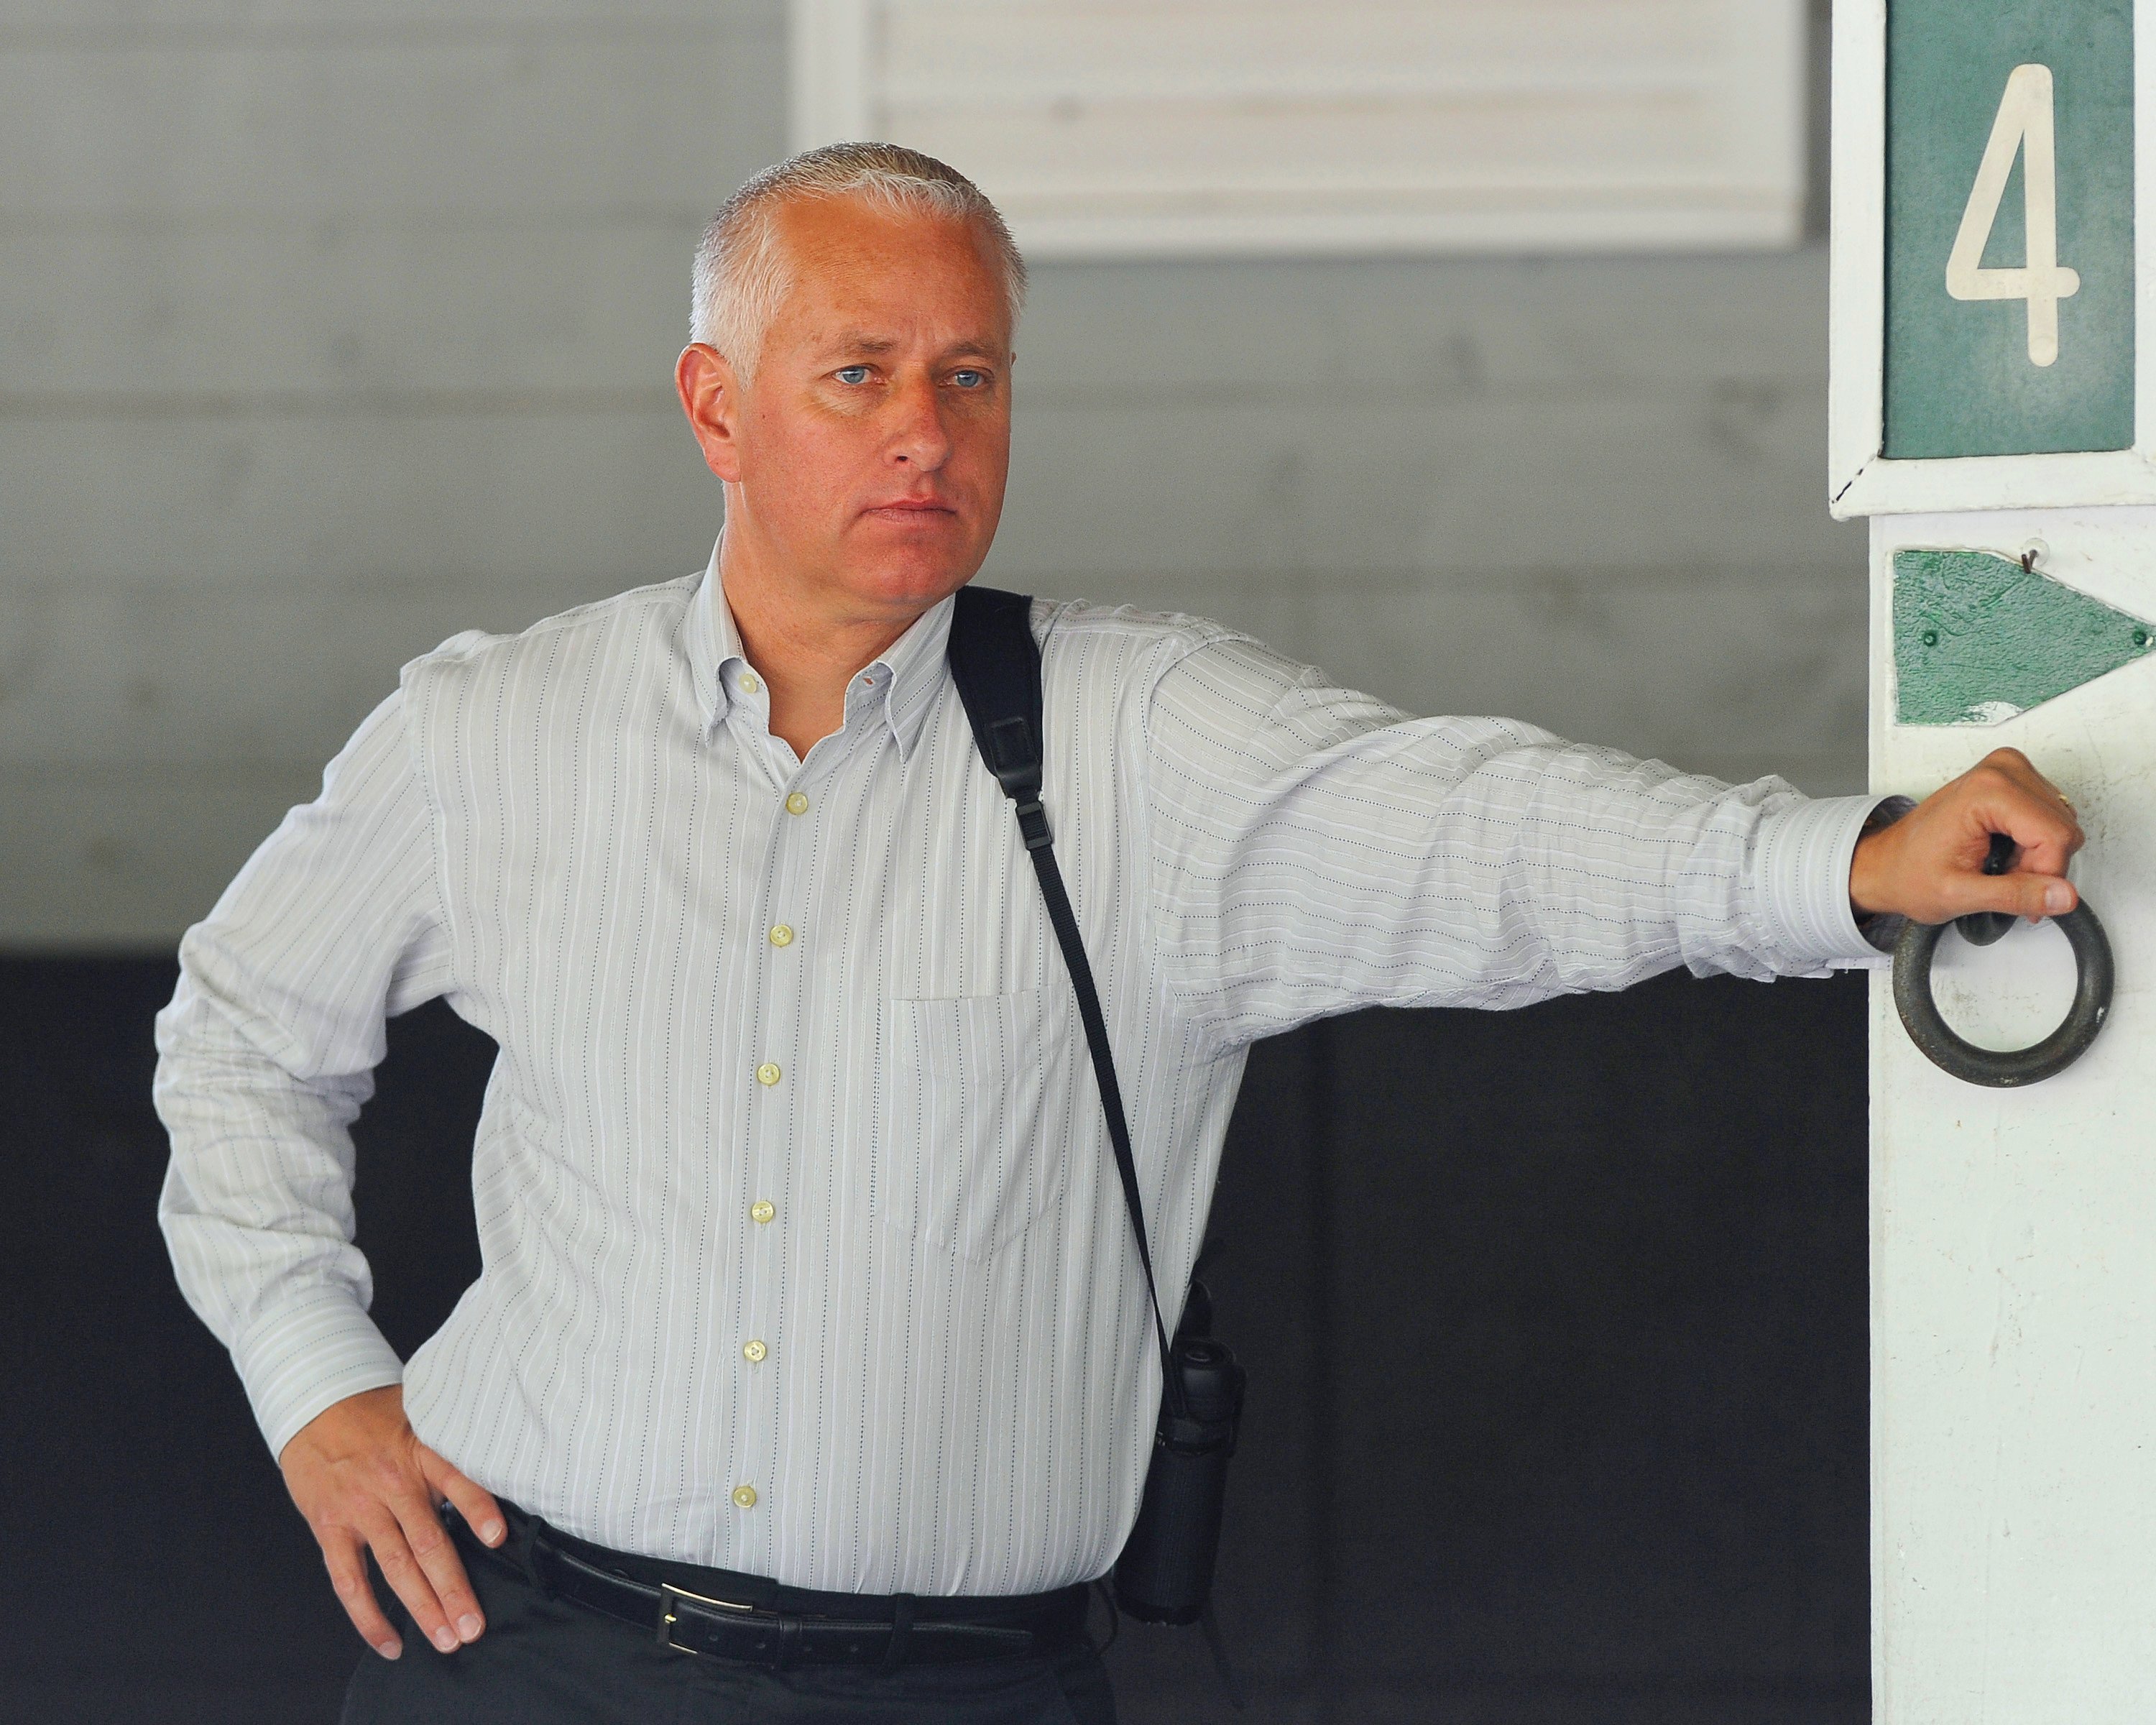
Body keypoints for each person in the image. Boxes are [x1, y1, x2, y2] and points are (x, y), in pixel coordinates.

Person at [154, 143, 2083, 1724]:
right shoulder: (498, 729)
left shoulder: (1145, 739)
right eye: (860, 374)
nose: (925, 430)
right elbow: (242, 1026)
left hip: (971, 1691)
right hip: (530, 1660)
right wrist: (313, 1380)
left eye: (969, 377)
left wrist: (1846, 865)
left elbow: (1487, 836)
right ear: (717, 407)